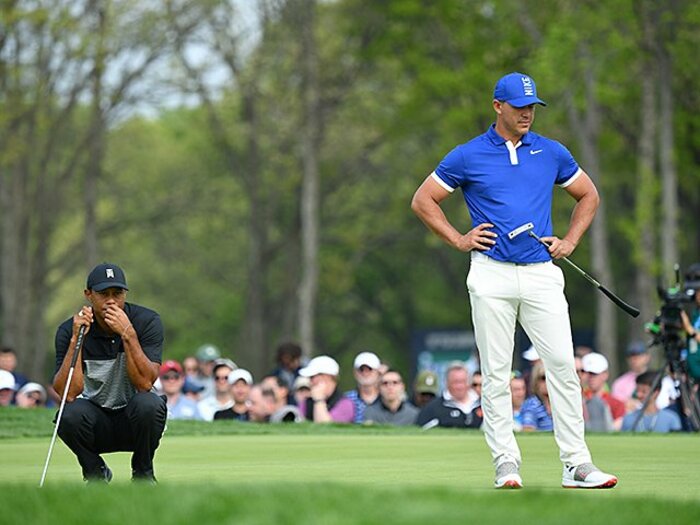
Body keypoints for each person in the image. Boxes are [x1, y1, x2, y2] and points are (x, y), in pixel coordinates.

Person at [410, 72, 617, 489]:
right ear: (497, 106)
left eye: (532, 107)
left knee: (561, 365)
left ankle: (576, 464)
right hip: (490, 273)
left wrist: (571, 240)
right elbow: (423, 200)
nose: (527, 114)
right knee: (497, 373)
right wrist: (458, 239)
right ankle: (506, 462)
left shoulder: (552, 152)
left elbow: (589, 194)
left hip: (541, 273)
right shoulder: (468, 155)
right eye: (520, 106)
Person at [52, 263, 167, 483]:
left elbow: (144, 384)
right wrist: (77, 340)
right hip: (96, 418)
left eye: (118, 293)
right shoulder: (70, 330)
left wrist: (128, 334)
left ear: (125, 294)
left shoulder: (146, 321)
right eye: (104, 294)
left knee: (149, 404)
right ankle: (95, 472)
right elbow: (68, 393)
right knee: (67, 415)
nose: (112, 300)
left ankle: (143, 473)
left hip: (135, 418)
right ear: (89, 295)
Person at [416, 363, 482, 429]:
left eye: (462, 381)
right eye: (455, 382)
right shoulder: (433, 408)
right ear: (447, 382)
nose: (459, 386)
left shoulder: (482, 404)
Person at [298, 355, 355, 423]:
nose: (311, 381)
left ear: (327, 377)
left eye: (313, 377)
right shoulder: (306, 403)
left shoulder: (344, 404)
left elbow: (325, 427)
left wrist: (319, 401)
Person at [581, 353, 625, 431]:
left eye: (594, 374)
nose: (590, 377)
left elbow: (615, 429)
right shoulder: (577, 400)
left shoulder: (617, 404)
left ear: (605, 374)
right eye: (586, 373)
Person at [344, 351, 382, 423]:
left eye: (369, 370)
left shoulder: (386, 398)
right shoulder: (346, 399)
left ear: (378, 373)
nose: (365, 373)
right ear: (355, 373)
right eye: (361, 370)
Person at [611, 341, 651, 407]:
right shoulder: (620, 382)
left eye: (638, 355)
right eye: (631, 356)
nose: (634, 359)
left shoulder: (656, 379)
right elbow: (616, 405)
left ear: (647, 357)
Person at [520, 363, 553, 432]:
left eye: (551, 378)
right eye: (544, 378)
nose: (548, 381)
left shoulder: (560, 404)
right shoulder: (531, 405)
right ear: (536, 381)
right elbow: (528, 431)